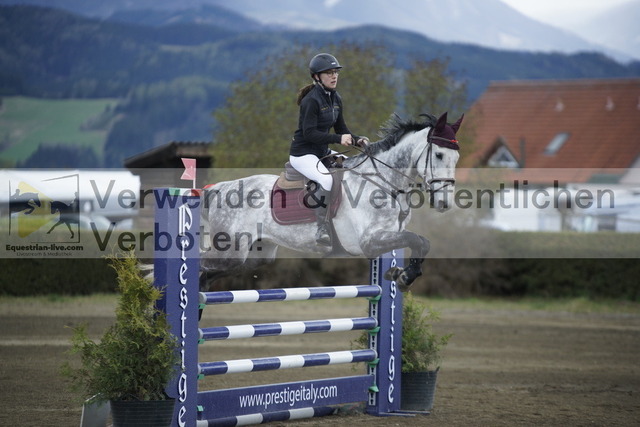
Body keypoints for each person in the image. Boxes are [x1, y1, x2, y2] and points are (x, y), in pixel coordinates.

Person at [289, 53, 366, 246]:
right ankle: (321, 228)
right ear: (317, 77)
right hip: (303, 153)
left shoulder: (335, 98)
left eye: (336, 72)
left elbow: (342, 129)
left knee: (352, 169)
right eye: (329, 73)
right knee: (326, 179)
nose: (334, 76)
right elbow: (309, 134)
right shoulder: (311, 101)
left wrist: (358, 140)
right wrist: (338, 139)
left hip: (321, 152)